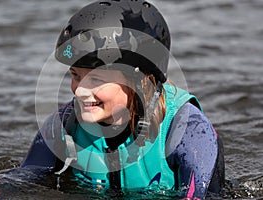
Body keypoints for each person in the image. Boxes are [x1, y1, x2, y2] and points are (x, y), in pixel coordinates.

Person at [19, 0, 225, 199]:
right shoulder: (63, 126)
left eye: (96, 79)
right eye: (75, 75)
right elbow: (22, 183)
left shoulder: (189, 130)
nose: (79, 91)